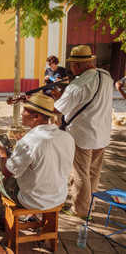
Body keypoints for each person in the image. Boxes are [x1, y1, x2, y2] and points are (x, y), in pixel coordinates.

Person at [0, 93, 74, 225]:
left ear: (36, 116)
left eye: (25, 110)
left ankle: (2, 220)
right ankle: (29, 216)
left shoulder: (30, 141)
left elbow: (7, 172)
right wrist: (21, 145)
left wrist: (2, 153)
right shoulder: (66, 137)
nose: (22, 113)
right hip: (58, 197)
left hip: (32, 200)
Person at [54, 45, 113, 219]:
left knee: (81, 173)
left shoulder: (78, 85)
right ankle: (88, 203)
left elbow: (58, 109)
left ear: (78, 66)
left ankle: (80, 210)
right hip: (102, 133)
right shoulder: (106, 76)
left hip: (83, 135)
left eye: (72, 64)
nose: (71, 67)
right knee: (93, 172)